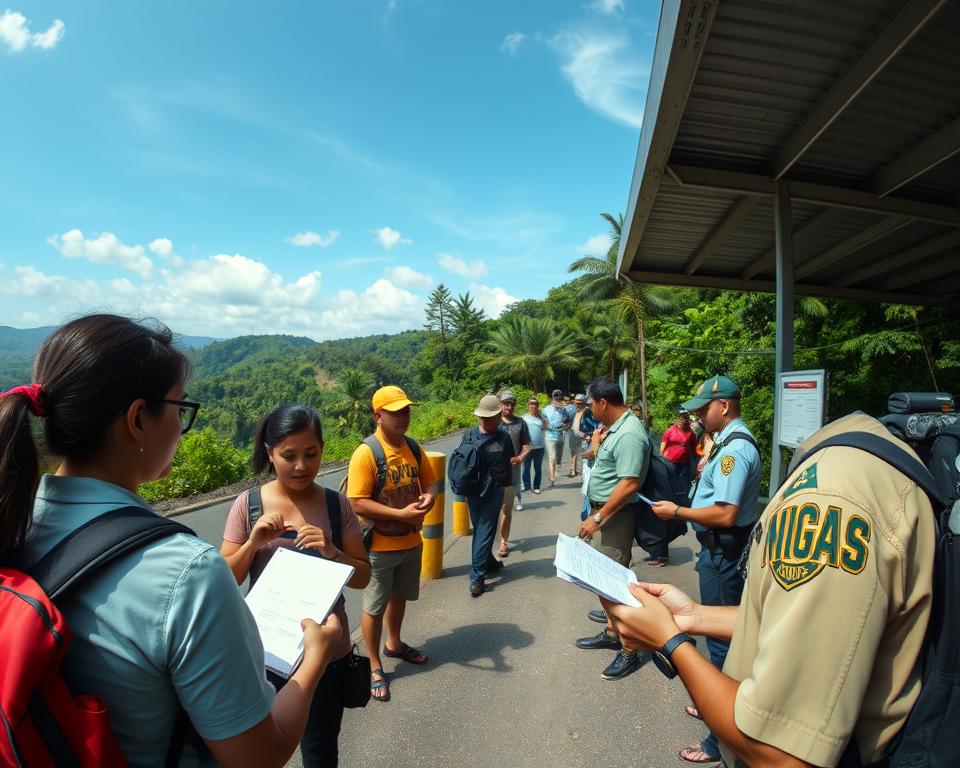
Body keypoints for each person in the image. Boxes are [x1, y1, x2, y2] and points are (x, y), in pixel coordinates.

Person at [0, 314, 342, 767]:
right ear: (138, 419)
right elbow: (257, 756)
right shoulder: (187, 573)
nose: (182, 428)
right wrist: (315, 657)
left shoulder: (14, 521)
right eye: (180, 409)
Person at [603, 412, 935, 768]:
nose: (697, 417)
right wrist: (693, 616)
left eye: (704, 408)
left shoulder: (826, 500)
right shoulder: (860, 470)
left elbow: (781, 755)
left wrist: (669, 641)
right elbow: (797, 622)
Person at [221, 404, 371, 767]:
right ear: (270, 453)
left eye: (311, 454)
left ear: (322, 449)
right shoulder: (249, 505)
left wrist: (333, 550)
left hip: (326, 657)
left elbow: (363, 576)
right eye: (289, 456)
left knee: (320, 752)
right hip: (263, 656)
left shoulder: (337, 506)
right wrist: (253, 543)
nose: (301, 465)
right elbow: (225, 579)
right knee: (258, 754)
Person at [650, 374, 761, 764]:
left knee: (722, 645)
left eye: (704, 408)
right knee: (721, 640)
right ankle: (716, 708)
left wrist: (676, 511)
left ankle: (720, 738)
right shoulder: (725, 444)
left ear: (725, 407)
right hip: (716, 552)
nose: (698, 415)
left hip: (723, 554)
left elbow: (726, 513)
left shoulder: (735, 451)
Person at [347, 386, 439, 702]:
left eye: (406, 411)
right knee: (374, 607)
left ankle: (394, 643)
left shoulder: (412, 447)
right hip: (379, 547)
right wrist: (400, 513)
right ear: (378, 415)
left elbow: (431, 480)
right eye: (396, 412)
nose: (403, 417)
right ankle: (374, 665)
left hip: (410, 541)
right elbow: (357, 502)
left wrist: (429, 496)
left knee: (400, 597)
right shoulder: (367, 452)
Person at [574, 375, 650, 681]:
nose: (590, 407)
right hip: (605, 514)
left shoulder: (629, 433)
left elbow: (629, 483)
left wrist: (597, 518)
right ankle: (611, 631)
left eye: (591, 402)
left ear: (603, 402)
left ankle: (630, 651)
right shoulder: (616, 429)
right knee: (604, 583)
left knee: (615, 587)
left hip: (614, 518)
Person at [462, 394, 515, 597]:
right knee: (482, 532)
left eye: (488, 417)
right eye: (482, 417)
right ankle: (477, 578)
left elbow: (508, 464)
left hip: (494, 491)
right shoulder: (469, 435)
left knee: (483, 531)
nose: (484, 421)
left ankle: (486, 567)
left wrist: (506, 486)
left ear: (498, 415)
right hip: (474, 492)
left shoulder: (503, 437)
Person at [496, 390, 531, 557]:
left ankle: (503, 541)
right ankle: (493, 538)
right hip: (494, 473)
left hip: (512, 473)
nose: (509, 406)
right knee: (492, 509)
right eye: (505, 403)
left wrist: (519, 457)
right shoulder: (493, 422)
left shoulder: (520, 423)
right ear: (500, 404)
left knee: (506, 508)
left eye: (512, 403)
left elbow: (527, 445)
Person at [660, 407, 698, 487]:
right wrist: (660, 462)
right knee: (670, 482)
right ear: (678, 419)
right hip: (669, 462)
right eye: (681, 419)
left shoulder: (691, 433)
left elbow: (694, 449)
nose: (683, 421)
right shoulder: (670, 430)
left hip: (684, 464)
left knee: (681, 484)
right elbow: (662, 448)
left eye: (686, 419)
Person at [543, 389, 570, 487]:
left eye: (560, 399)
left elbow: (567, 425)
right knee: (552, 457)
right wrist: (548, 426)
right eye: (556, 399)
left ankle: (555, 474)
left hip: (560, 437)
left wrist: (565, 426)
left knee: (558, 459)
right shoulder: (546, 410)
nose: (558, 400)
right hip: (550, 437)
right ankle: (552, 478)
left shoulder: (564, 410)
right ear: (552, 399)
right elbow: (543, 423)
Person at [521, 397, 548, 494]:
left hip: (539, 448)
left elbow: (546, 427)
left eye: (535, 404)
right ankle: (527, 486)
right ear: (528, 406)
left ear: (537, 406)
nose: (533, 406)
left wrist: (542, 416)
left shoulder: (541, 417)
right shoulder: (524, 417)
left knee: (537, 468)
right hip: (527, 447)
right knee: (526, 468)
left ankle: (537, 486)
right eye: (531, 404)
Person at [567, 394, 587, 477]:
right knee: (573, 452)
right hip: (573, 434)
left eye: (580, 403)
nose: (578, 405)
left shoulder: (587, 412)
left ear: (584, 403)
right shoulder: (572, 411)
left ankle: (583, 472)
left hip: (584, 436)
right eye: (576, 403)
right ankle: (573, 470)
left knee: (584, 454)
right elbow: (567, 422)